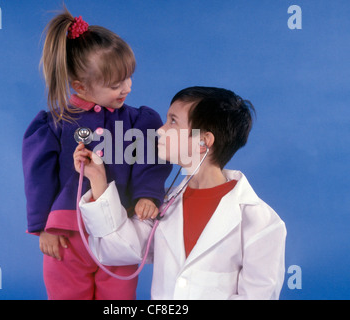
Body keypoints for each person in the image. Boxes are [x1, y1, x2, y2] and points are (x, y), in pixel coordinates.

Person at [74, 86, 287, 299]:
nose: (160, 130)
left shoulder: (261, 223)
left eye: (173, 121)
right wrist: (98, 180)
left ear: (203, 141)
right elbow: (116, 249)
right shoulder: (164, 204)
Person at [22, 8, 171, 300]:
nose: (127, 88)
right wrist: (43, 227)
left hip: (120, 228)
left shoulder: (138, 122)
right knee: (67, 294)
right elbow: (38, 178)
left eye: (128, 79)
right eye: (115, 85)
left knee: (118, 297)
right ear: (80, 86)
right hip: (68, 235)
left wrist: (147, 196)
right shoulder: (54, 124)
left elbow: (150, 161)